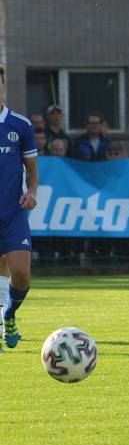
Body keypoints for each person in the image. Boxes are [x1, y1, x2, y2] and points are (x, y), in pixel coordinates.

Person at [0, 65, 38, 354]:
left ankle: (9, 315)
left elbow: (32, 170)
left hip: (13, 213)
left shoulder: (20, 125)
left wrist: (32, 192)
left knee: (21, 274)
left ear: (3, 87)